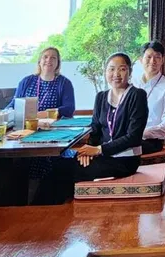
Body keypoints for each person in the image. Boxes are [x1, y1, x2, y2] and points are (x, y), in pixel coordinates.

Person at [34, 53, 148, 204]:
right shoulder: (101, 96)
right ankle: (45, 213)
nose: (116, 74)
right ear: (105, 72)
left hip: (124, 160)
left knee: (66, 171)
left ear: (130, 72)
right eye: (111, 69)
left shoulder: (137, 95)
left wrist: (98, 150)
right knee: (56, 166)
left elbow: (133, 137)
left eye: (122, 69)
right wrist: (88, 152)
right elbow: (95, 129)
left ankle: (50, 213)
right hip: (101, 155)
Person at [133, 40, 165, 154]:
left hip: (152, 140)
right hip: (129, 135)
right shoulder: (133, 84)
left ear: (162, 60)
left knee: (125, 149)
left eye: (157, 57)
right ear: (141, 59)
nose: (152, 61)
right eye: (148, 57)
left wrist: (140, 133)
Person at [7, 46, 75, 118]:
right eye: (45, 57)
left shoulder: (64, 83)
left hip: (53, 126)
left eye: (53, 58)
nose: (49, 60)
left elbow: (69, 108)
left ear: (58, 63)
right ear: (39, 62)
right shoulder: (26, 81)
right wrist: (2, 113)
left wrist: (47, 114)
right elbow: (14, 104)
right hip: (28, 124)